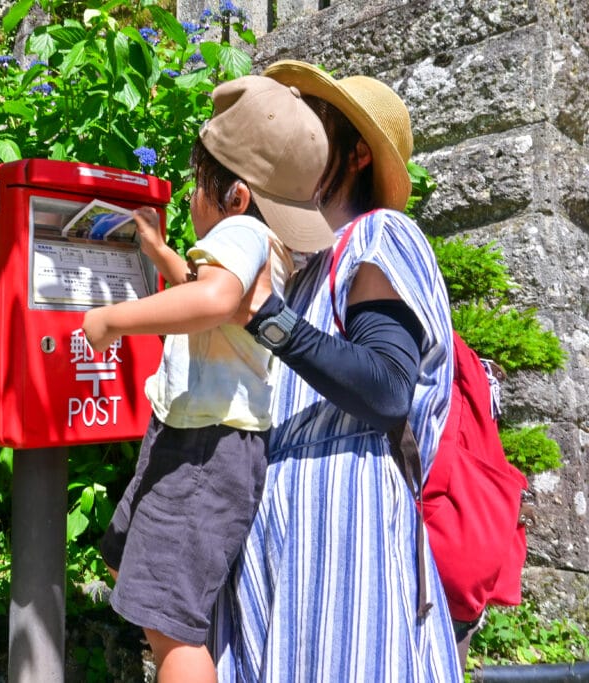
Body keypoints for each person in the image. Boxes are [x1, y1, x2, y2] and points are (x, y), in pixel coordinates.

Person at [210, 60, 463, 681]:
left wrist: (269, 318)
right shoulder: (307, 267)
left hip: (346, 522)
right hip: (287, 526)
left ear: (355, 156)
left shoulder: (381, 235)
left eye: (315, 126)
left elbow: (387, 387)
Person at [81, 75, 335, 683]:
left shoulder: (241, 233)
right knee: (128, 565)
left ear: (237, 196)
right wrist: (160, 252)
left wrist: (112, 321)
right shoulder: (262, 241)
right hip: (190, 438)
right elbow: (209, 291)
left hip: (205, 450)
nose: (194, 196)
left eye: (199, 184)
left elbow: (214, 299)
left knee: (171, 627)